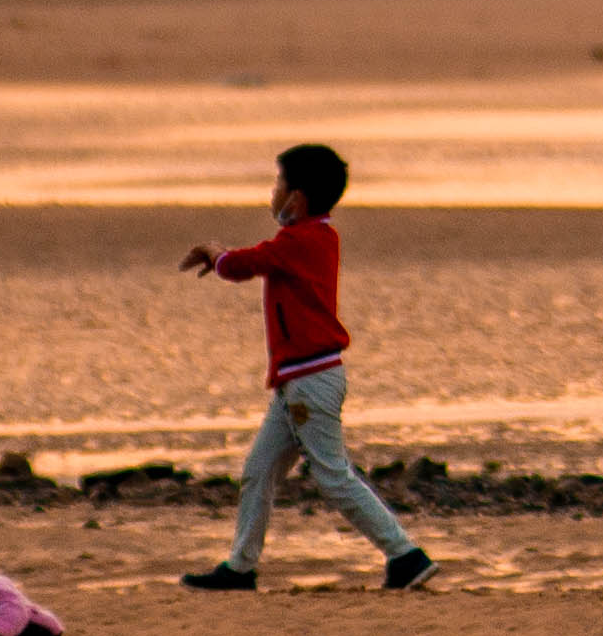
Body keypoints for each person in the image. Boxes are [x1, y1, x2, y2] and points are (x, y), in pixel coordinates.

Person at [177, 140, 435, 595]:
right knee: (259, 471)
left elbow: (243, 265)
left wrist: (216, 254)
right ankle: (240, 568)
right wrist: (225, 257)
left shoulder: (300, 241)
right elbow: (255, 260)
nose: (272, 191)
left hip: (310, 382)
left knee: (333, 476)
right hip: (297, 382)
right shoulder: (312, 237)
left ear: (296, 198)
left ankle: (405, 555)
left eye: (278, 183)